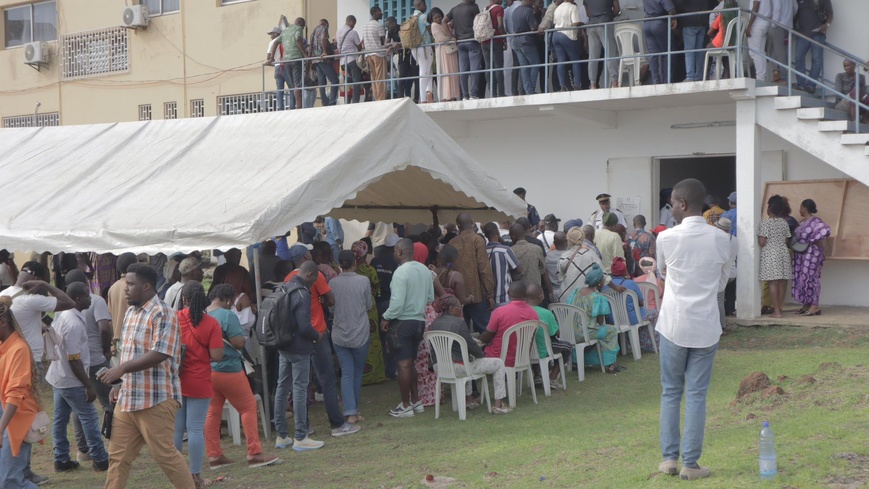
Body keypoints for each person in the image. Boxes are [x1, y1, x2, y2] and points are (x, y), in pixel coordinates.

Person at [656, 178, 731, 480]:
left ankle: (668, 459)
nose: (670, 208)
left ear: (682, 204)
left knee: (671, 393)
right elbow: (723, 282)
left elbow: (662, 271)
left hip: (673, 323)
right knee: (697, 395)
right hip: (705, 325)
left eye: (672, 203)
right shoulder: (721, 238)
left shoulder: (666, 238)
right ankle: (690, 463)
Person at [97, 263, 195, 489]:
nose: (126, 289)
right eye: (125, 284)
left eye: (131, 284)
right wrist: (118, 383)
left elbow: (160, 352)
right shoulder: (131, 312)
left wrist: (121, 370)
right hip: (128, 398)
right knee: (117, 457)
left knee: (165, 456)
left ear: (147, 285)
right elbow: (127, 351)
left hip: (156, 399)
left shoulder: (164, 313)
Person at [204, 284, 279, 471]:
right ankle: (254, 453)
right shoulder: (227, 315)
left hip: (209, 370)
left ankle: (214, 456)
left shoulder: (203, 314)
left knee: (213, 412)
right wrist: (244, 339)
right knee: (248, 408)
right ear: (228, 299)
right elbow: (238, 342)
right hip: (229, 368)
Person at [283, 245, 355, 438]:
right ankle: (337, 424)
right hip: (318, 333)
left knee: (300, 383)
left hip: (298, 336)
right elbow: (331, 300)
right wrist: (321, 302)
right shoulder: (316, 275)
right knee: (327, 380)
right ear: (306, 256)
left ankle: (304, 426)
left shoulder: (288, 279)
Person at [45, 282, 108, 473]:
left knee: (60, 419)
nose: (91, 298)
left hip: (59, 376)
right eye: (88, 296)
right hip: (70, 379)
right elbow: (74, 359)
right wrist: (88, 385)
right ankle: (100, 459)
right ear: (78, 299)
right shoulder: (72, 323)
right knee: (89, 417)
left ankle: (61, 459)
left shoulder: (64, 315)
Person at [172, 282, 224, 487]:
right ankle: (195, 476)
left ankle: (177, 476)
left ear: (183, 299)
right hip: (200, 380)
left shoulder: (174, 319)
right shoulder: (211, 323)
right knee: (194, 430)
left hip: (176, 380)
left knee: (176, 430)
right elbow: (217, 355)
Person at [272, 261, 327, 451]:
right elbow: (304, 326)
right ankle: (301, 436)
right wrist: (317, 336)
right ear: (310, 274)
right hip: (299, 347)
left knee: (282, 387)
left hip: (283, 345)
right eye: (314, 280)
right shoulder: (303, 293)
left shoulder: (284, 287)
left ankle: (281, 435)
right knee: (300, 389)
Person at [61, 270, 113, 465]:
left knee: (80, 407)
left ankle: (83, 450)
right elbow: (104, 328)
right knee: (110, 401)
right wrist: (106, 350)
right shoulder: (96, 300)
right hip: (95, 358)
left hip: (78, 363)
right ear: (84, 285)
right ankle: (113, 446)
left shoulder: (63, 307)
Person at [429, 295, 512, 414]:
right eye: (460, 306)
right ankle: (499, 405)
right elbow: (472, 348)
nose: (461, 309)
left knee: (467, 360)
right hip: (458, 368)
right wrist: (481, 354)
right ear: (452, 308)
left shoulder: (435, 323)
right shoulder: (459, 323)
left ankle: (469, 401)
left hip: (440, 367)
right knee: (498, 363)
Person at [380, 239, 434, 418]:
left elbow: (396, 304)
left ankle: (405, 406)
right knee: (410, 363)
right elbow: (429, 298)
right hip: (419, 321)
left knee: (403, 364)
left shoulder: (400, 272)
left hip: (403, 322)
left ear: (399, 251)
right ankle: (416, 401)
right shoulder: (425, 270)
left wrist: (386, 317)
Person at [0, 295, 43, 489]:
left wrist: (1, 428)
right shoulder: (3, 347)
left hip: (15, 419)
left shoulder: (19, 349)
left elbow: (14, 394)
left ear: (2, 322)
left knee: (10, 482)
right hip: (5, 416)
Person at [330, 250, 373, 425]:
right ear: (355, 262)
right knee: (356, 373)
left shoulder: (332, 282)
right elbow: (369, 305)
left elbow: (331, 308)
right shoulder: (363, 281)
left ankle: (351, 411)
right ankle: (353, 410)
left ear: (340, 264)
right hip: (360, 332)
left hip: (339, 333)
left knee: (347, 373)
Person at [565, 263, 622, 372]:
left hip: (572, 332)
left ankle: (577, 361)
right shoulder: (598, 298)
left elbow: (569, 304)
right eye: (602, 280)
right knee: (611, 331)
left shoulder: (576, 292)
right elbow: (600, 322)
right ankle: (611, 363)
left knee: (601, 333)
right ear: (599, 283)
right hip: (587, 333)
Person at [348, 242, 386, 386]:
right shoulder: (370, 270)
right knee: (373, 339)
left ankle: (360, 375)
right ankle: (375, 374)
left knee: (357, 338)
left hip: (355, 308)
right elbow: (376, 291)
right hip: (370, 308)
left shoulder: (350, 271)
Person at [479, 281, 538, 373]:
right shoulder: (534, 314)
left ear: (507, 293)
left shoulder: (499, 312)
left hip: (498, 357)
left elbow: (486, 337)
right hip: (522, 357)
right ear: (526, 294)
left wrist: (477, 339)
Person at [450, 213, 496, 332]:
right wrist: (490, 294)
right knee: (484, 330)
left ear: (458, 225)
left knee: (461, 332)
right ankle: (485, 351)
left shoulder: (452, 242)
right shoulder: (478, 240)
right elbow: (484, 269)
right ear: (471, 223)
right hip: (477, 295)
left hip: (458, 295)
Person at [526, 284, 573, 389]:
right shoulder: (546, 313)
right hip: (544, 350)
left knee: (535, 343)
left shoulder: (520, 312)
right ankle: (552, 377)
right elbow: (555, 333)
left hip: (524, 351)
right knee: (567, 347)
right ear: (541, 296)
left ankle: (537, 375)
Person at [791, 199, 831, 317]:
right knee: (804, 278)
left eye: (801, 207)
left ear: (805, 209)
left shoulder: (816, 221)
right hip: (803, 254)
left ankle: (815, 306)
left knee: (812, 279)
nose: (799, 210)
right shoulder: (804, 221)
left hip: (812, 255)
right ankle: (807, 304)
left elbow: (825, 230)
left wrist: (813, 240)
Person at [758, 195, 792, 319]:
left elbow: (762, 242)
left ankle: (776, 312)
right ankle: (779, 310)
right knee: (782, 282)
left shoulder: (765, 223)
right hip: (783, 253)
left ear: (769, 209)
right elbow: (787, 239)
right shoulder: (784, 222)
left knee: (773, 283)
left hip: (771, 254)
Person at [446, 0, 483, 100]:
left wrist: (451, 36)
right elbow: (480, 22)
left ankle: (465, 95)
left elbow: (444, 20)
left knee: (463, 70)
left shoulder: (455, 9)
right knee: (474, 69)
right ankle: (474, 94)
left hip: (460, 43)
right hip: (472, 42)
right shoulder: (473, 7)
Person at [794, 0, 833, 94]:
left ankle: (811, 85)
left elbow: (830, 14)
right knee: (799, 58)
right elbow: (795, 14)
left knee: (817, 60)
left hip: (817, 33)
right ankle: (801, 84)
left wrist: (827, 25)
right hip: (802, 34)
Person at [270, 17, 307, 110]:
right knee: (297, 85)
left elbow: (275, 43)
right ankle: (299, 108)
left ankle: (294, 106)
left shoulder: (286, 30)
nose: (302, 28)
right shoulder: (298, 28)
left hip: (286, 61)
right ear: (299, 23)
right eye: (303, 26)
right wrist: (305, 54)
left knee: (293, 86)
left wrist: (271, 58)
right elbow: (298, 39)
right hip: (296, 59)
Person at [483, 223, 521, 308]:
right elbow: (519, 270)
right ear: (497, 233)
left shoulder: (482, 251)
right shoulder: (505, 250)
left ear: (485, 235)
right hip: (504, 297)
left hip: (487, 299)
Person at [585, 0, 620, 88]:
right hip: (605, 23)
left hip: (592, 25)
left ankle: (592, 84)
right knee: (610, 53)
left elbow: (588, 14)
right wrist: (608, 15)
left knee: (593, 56)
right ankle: (614, 82)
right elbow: (617, 9)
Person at [509, 223, 551, 297]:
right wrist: (550, 291)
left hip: (518, 294)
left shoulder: (510, 251)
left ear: (513, 236)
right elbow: (544, 271)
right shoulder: (536, 249)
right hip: (535, 293)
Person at [107, 252, 138, 351]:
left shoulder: (113, 288)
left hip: (117, 340)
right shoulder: (135, 286)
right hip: (132, 339)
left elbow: (110, 318)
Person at [430, 8, 461, 102]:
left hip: (450, 50)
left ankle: (452, 95)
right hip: (443, 51)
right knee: (445, 72)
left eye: (439, 17)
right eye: (436, 18)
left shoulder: (443, 24)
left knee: (452, 72)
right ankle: (446, 96)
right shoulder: (434, 25)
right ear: (432, 19)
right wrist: (450, 38)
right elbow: (441, 38)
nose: (438, 19)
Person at [643, 0, 677, 84]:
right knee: (667, 52)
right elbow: (671, 9)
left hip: (647, 23)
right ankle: (666, 81)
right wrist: (674, 18)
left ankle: (655, 81)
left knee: (652, 54)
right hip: (658, 23)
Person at [552, 0, 583, 91]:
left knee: (561, 61)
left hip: (556, 34)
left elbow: (555, 23)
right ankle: (577, 85)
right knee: (575, 61)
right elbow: (575, 22)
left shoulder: (557, 8)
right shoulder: (573, 7)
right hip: (567, 35)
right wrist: (581, 24)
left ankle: (562, 86)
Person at [676, 0, 709, 82]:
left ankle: (690, 76)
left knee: (689, 51)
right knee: (699, 51)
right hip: (702, 22)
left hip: (689, 22)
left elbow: (678, 4)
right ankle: (699, 76)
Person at [512, 0, 540, 95]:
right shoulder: (528, 11)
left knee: (524, 66)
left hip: (516, 41)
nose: (533, 2)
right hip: (527, 41)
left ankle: (528, 90)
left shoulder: (515, 10)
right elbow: (533, 27)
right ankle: (531, 89)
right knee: (535, 64)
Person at [713, 218, 737, 328]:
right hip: (732, 272)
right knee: (730, 296)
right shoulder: (735, 239)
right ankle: (730, 311)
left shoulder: (717, 239)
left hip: (721, 273)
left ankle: (721, 324)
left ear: (719, 227)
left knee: (719, 301)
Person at [309, 19, 340, 106]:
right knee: (334, 80)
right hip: (323, 59)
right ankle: (332, 101)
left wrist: (310, 59)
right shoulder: (324, 28)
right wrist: (325, 52)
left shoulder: (314, 31)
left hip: (315, 59)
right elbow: (323, 39)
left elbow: (310, 45)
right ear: (326, 24)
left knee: (321, 82)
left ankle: (324, 102)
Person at [481, 0, 507, 98]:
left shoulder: (484, 9)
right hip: (496, 41)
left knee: (488, 67)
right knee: (498, 66)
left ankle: (492, 93)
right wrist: (504, 38)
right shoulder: (499, 9)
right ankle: (501, 93)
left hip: (484, 41)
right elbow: (500, 25)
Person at [411, 0, 435, 104]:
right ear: (419, 5)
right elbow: (430, 28)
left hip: (415, 49)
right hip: (424, 47)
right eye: (424, 4)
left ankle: (429, 94)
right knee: (424, 72)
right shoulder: (422, 16)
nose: (426, 6)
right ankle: (423, 99)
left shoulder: (412, 17)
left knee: (428, 71)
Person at [362, 7, 388, 101]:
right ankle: (381, 99)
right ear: (375, 13)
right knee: (381, 78)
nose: (381, 14)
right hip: (378, 54)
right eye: (380, 12)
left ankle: (376, 98)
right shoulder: (378, 25)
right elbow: (383, 42)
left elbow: (363, 41)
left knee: (373, 78)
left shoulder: (365, 25)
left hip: (368, 55)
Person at [337, 15, 365, 104]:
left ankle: (347, 101)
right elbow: (359, 47)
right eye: (354, 24)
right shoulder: (353, 32)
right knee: (356, 80)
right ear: (351, 22)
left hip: (343, 61)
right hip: (352, 60)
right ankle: (355, 101)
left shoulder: (338, 31)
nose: (354, 26)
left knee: (347, 81)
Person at [769, 0, 797, 83]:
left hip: (779, 25)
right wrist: (789, 17)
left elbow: (777, 9)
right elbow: (795, 7)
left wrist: (774, 23)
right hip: (788, 26)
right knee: (777, 49)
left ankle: (783, 77)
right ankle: (776, 70)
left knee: (779, 51)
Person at [745, 0, 772, 82]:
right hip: (765, 22)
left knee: (754, 52)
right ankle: (763, 77)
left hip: (757, 23)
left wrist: (749, 25)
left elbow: (756, 5)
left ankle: (760, 78)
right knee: (760, 51)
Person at [545, 231, 568, 300]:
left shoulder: (548, 256)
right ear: (566, 242)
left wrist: (550, 291)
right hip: (568, 289)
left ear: (554, 243)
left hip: (554, 291)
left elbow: (545, 274)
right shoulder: (570, 255)